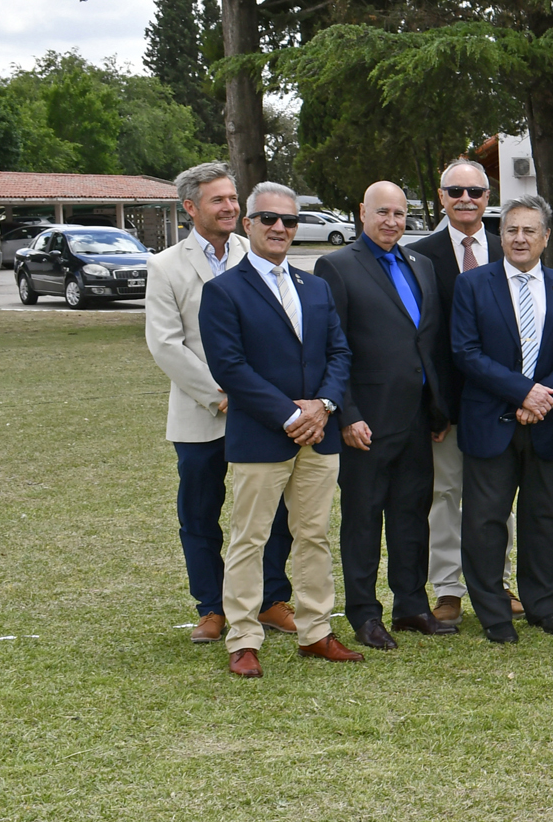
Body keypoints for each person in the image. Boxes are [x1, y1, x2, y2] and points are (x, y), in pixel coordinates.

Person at [199, 182, 362, 677]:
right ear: (248, 224)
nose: (279, 228)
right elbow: (230, 367)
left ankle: (316, 631)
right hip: (263, 435)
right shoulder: (223, 290)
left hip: (321, 432)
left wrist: (324, 405)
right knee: (250, 537)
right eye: (268, 219)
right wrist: (291, 415)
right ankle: (244, 638)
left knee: (313, 535)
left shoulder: (316, 286)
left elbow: (340, 353)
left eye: (288, 221)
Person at [146, 162, 297, 645]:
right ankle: (212, 607)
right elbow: (166, 345)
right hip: (201, 413)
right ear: (190, 207)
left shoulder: (256, 256)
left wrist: (255, 397)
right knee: (200, 512)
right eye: (219, 200)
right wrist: (222, 394)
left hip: (262, 411)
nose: (231, 207)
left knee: (272, 511)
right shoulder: (165, 266)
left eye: (234, 198)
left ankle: (271, 599)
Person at [314, 181, 453, 649]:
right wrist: (346, 414)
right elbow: (334, 348)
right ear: (362, 212)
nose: (393, 221)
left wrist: (438, 407)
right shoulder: (336, 266)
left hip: (417, 417)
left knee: (412, 515)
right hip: (365, 422)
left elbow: (427, 341)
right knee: (363, 517)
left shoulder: (422, 265)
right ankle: (364, 613)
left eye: (400, 213)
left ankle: (411, 605)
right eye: (383, 212)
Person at [450, 196, 553, 644]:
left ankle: (545, 606)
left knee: (547, 520)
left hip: (548, 421)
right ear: (501, 236)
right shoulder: (472, 284)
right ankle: (494, 614)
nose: (520, 238)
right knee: (486, 522)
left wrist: (543, 396)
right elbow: (466, 352)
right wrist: (521, 391)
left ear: (547, 237)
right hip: (490, 422)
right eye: (512, 230)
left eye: (530, 230)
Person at [408, 159, 520, 628]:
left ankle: (499, 581)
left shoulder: (508, 249)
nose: (466, 199)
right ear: (441, 196)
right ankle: (449, 589)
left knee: (498, 497)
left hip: (499, 401)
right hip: (445, 405)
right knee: (446, 495)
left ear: (487, 197)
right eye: (456, 191)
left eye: (475, 191)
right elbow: (423, 338)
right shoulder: (418, 255)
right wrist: (436, 405)